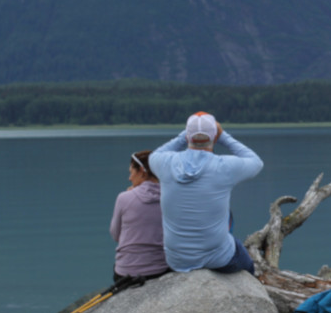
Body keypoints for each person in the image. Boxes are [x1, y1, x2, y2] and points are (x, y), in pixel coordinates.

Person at [149, 112, 263, 274]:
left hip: (177, 260)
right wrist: (223, 135)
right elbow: (256, 162)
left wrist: (185, 135)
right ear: (215, 137)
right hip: (219, 258)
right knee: (246, 262)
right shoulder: (224, 167)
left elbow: (154, 155)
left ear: (188, 137)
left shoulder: (165, 163)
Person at [109, 149, 169, 282]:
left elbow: (115, 235)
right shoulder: (171, 198)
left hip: (125, 272)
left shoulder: (124, 198)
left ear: (141, 171)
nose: (129, 178)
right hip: (159, 270)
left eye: (131, 172)